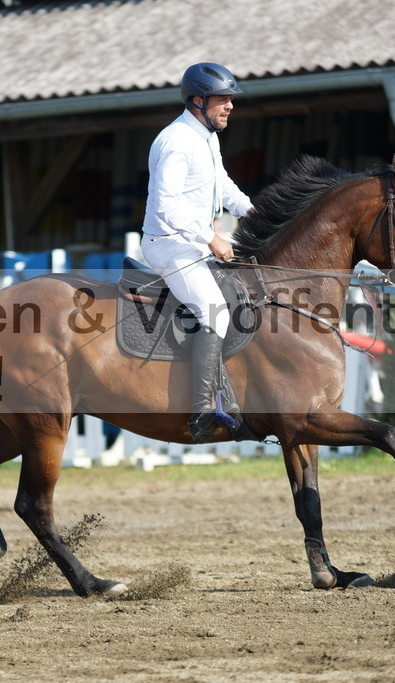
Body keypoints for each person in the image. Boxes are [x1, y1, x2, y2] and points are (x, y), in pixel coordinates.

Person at [140, 62, 256, 442]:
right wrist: (211, 238)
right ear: (197, 100)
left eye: (230, 100)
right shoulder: (175, 141)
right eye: (223, 100)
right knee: (215, 312)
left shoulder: (207, 137)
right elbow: (166, 206)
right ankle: (204, 409)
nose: (230, 107)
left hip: (192, 243)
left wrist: (252, 211)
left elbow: (222, 185)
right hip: (170, 245)